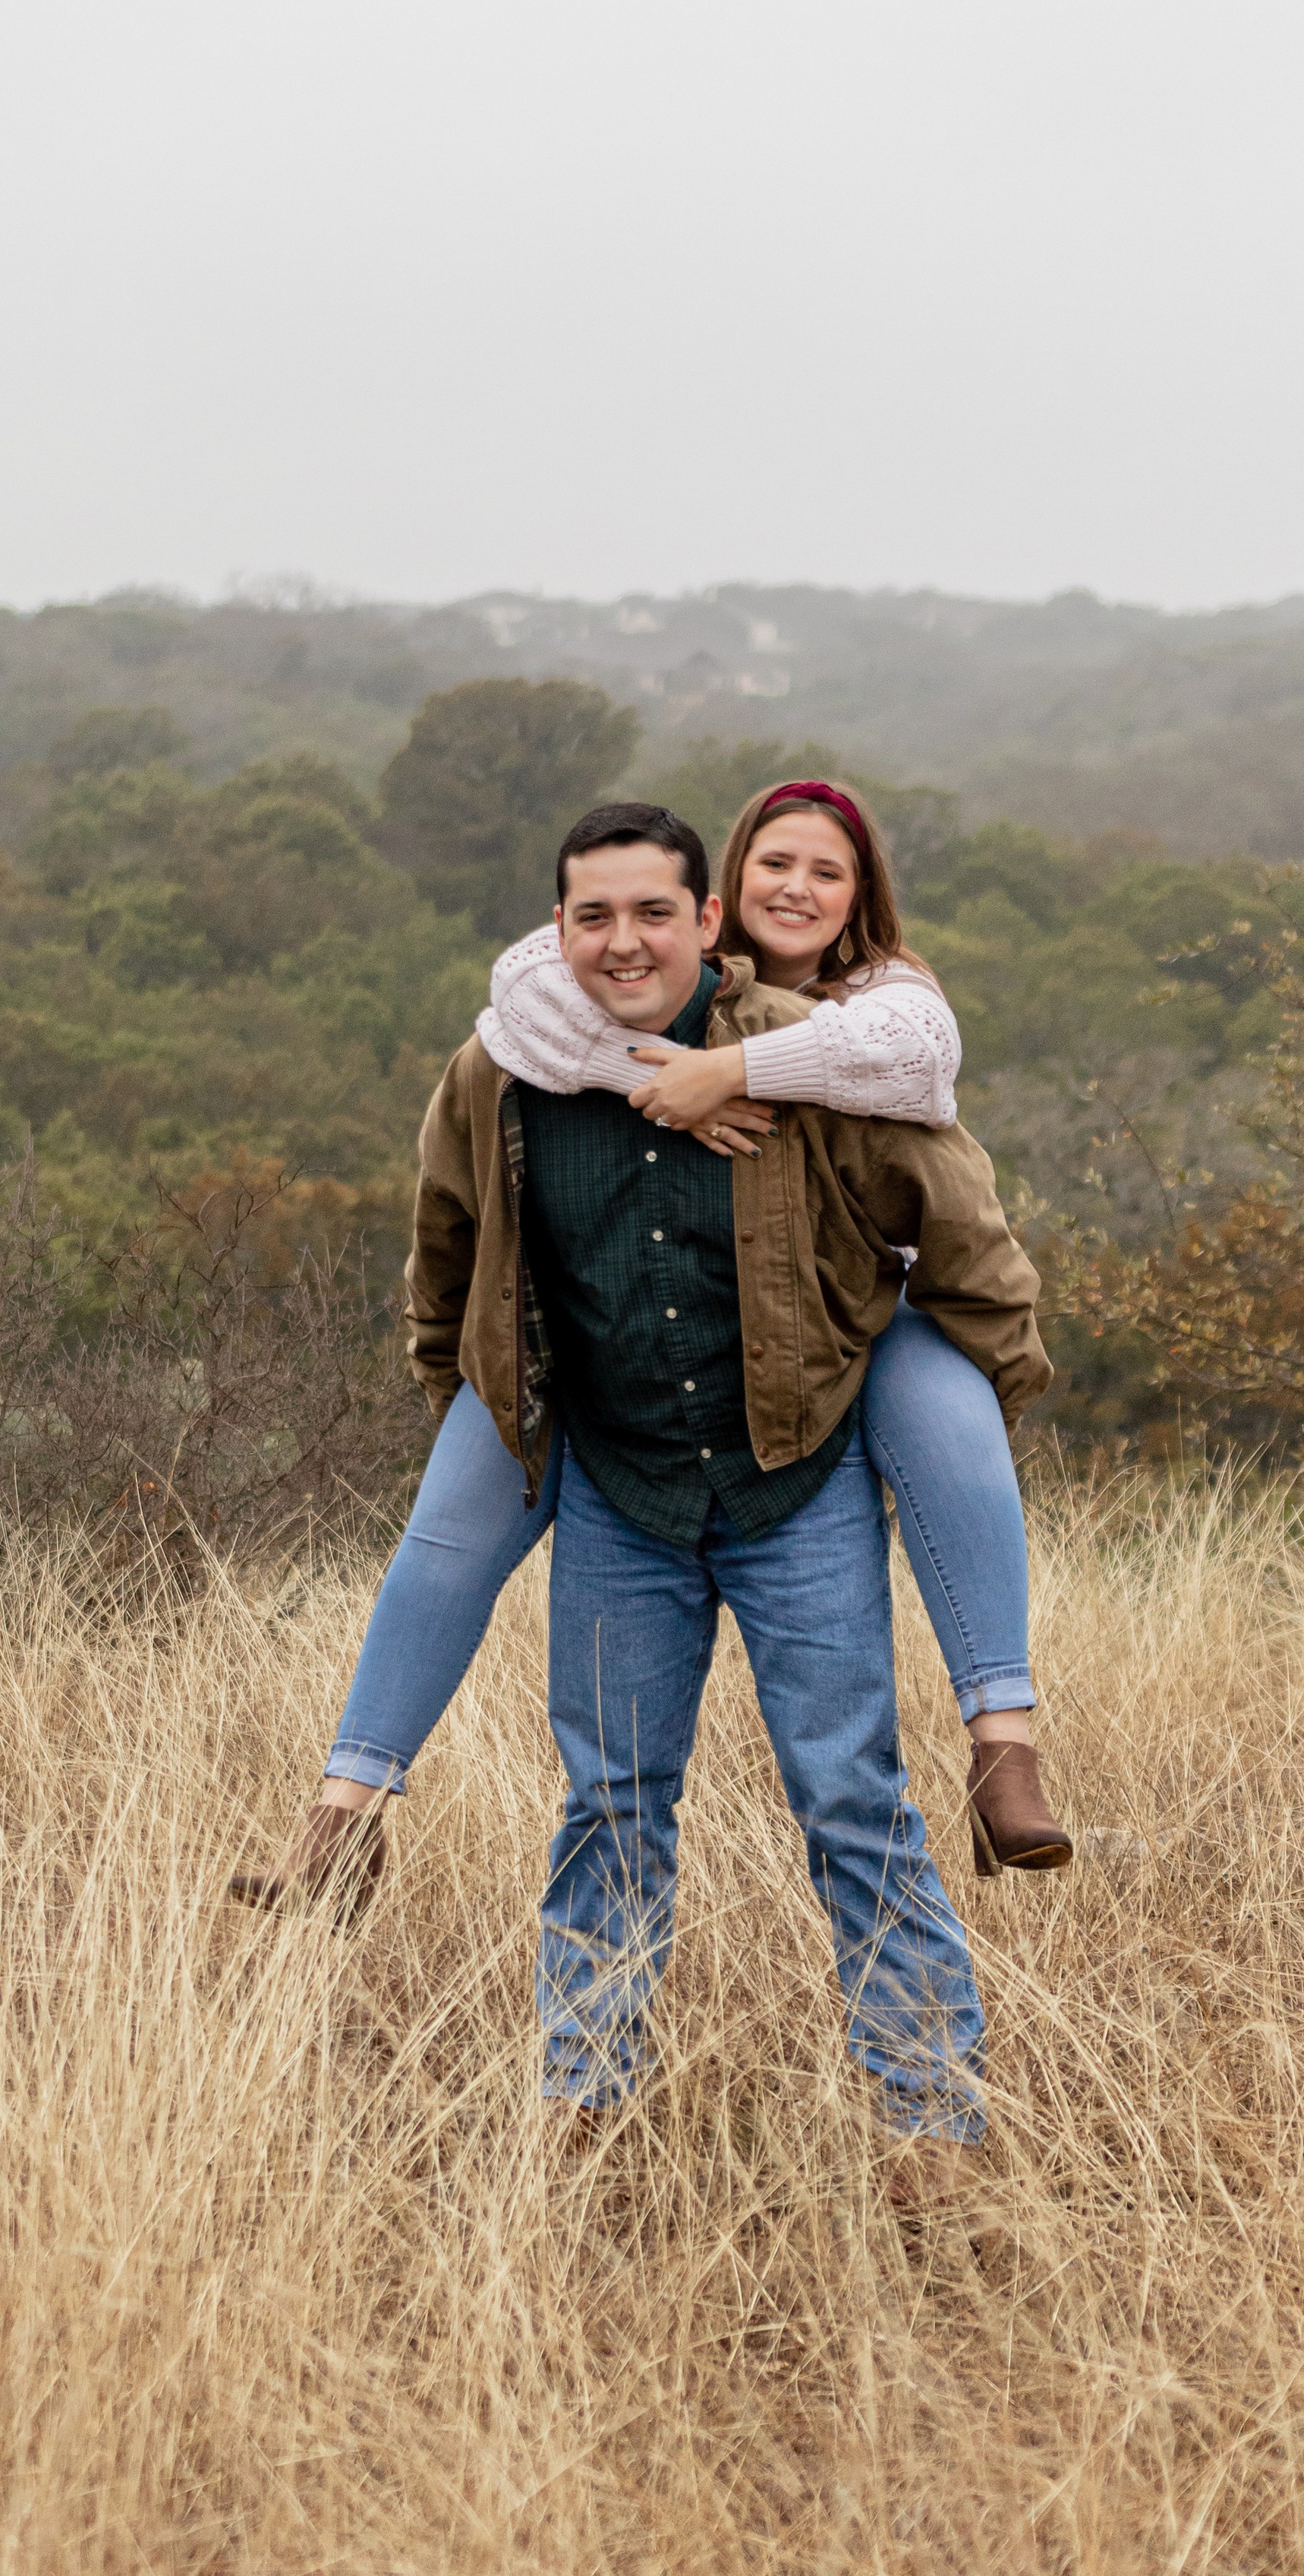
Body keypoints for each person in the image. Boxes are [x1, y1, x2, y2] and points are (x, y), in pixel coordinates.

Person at [338, 801, 1050, 2194]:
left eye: (652, 914)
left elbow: (960, 1210)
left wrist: (989, 1379)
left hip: (799, 1484)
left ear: (704, 920)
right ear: (558, 929)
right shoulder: (514, 1065)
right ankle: (585, 2111)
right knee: (609, 1803)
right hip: (621, 1496)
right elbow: (449, 1244)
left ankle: (931, 2127)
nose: (623, 940)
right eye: (591, 917)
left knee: (853, 1796)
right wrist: (467, 1388)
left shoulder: (827, 1054)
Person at [228, 778, 1071, 1931]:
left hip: (857, 1330)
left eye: (830, 872)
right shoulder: (561, 1004)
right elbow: (519, 1043)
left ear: (709, 917)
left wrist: (731, 1074)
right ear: (732, 886)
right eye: (779, 863)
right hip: (606, 1394)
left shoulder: (875, 1005)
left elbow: (932, 1118)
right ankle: (343, 1816)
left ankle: (1003, 1745)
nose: (801, 889)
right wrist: (646, 1078)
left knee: (944, 1416)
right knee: (458, 1532)